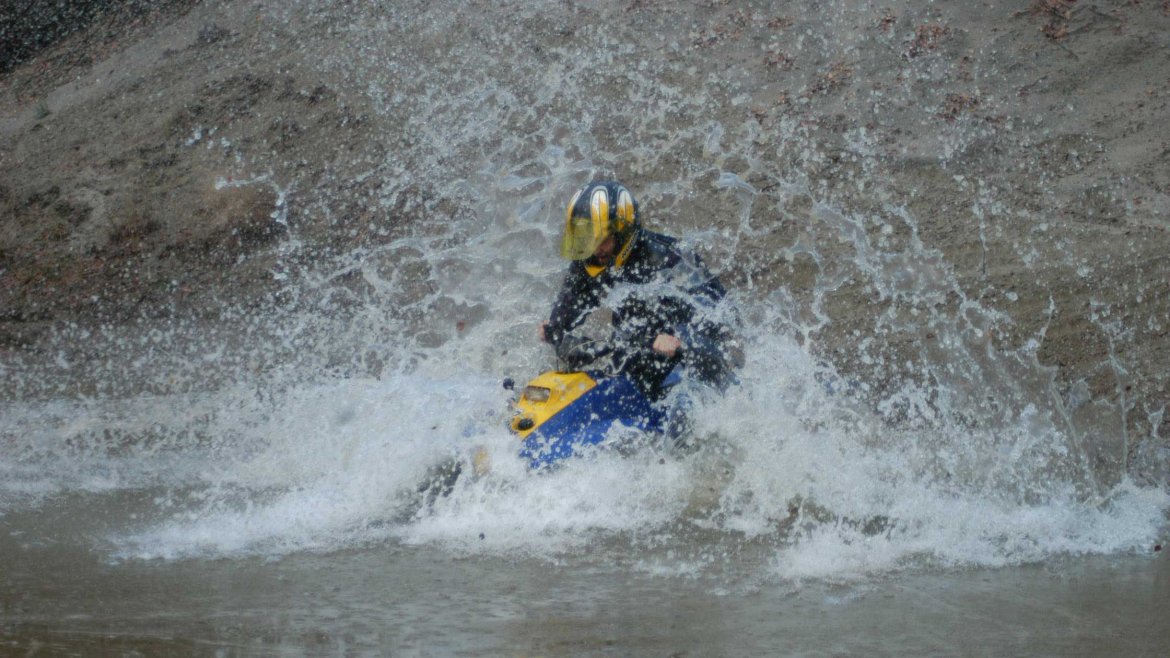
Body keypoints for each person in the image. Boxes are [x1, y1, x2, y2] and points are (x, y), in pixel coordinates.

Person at [538, 180, 739, 401]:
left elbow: (717, 325)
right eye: (587, 238)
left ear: (623, 232)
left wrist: (673, 341)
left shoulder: (668, 261)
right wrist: (554, 329)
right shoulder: (593, 258)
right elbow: (566, 314)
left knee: (681, 399)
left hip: (692, 357)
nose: (595, 249)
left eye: (601, 239)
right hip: (642, 350)